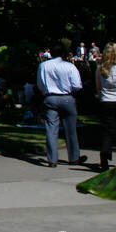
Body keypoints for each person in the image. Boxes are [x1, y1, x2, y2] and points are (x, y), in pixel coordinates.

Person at [37, 39, 86, 167]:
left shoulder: (43, 66)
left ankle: (52, 159)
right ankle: (74, 157)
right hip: (66, 97)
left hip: (50, 97)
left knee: (51, 129)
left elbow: (40, 84)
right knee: (71, 129)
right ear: (63, 53)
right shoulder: (69, 66)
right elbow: (77, 85)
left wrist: (45, 92)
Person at [95, 42, 116, 169]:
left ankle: (105, 153)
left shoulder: (100, 68)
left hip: (105, 101)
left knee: (107, 131)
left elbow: (98, 87)